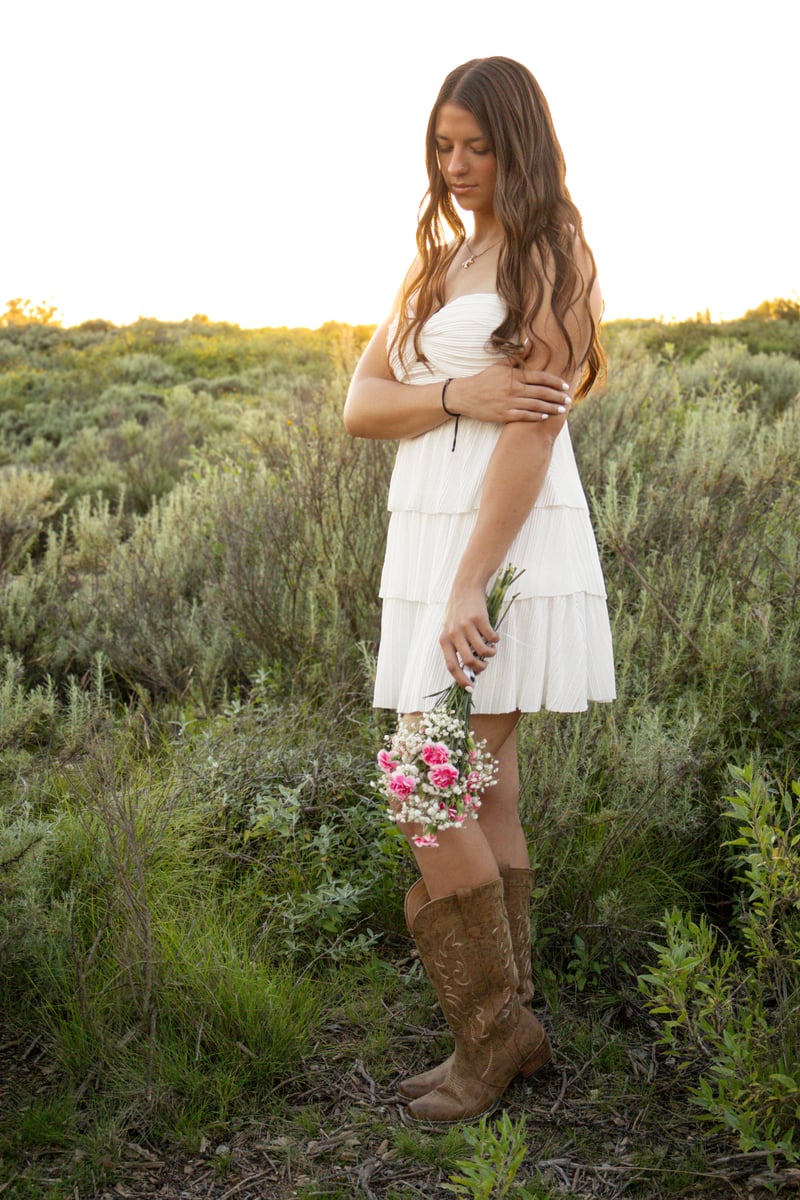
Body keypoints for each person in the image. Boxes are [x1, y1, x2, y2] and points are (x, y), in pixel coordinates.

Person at [343, 56, 615, 1123]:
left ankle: (491, 1040)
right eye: (441, 146)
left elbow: (533, 435)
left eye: (476, 146)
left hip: (498, 548)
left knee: (425, 774)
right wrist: (458, 392)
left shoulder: (554, 256)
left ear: (520, 143)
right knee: (481, 784)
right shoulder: (436, 266)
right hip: (433, 549)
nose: (455, 166)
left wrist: (471, 587)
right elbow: (361, 406)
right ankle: (510, 1032)